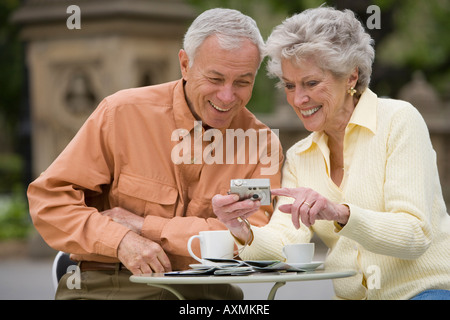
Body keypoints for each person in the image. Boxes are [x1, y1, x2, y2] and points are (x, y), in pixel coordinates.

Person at [27, 8, 283, 300]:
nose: (227, 96)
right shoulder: (121, 114)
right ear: (185, 65)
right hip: (113, 284)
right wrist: (121, 240)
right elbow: (49, 201)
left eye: (242, 82)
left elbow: (253, 239)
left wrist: (143, 226)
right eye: (215, 78)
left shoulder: (261, 143)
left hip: (207, 292)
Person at [214, 7, 450, 300]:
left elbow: (415, 233)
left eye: (311, 83)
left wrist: (340, 213)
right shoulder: (301, 155)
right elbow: (285, 241)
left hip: (424, 292)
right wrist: (241, 229)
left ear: (351, 76)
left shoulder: (399, 121)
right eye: (289, 85)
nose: (298, 99)